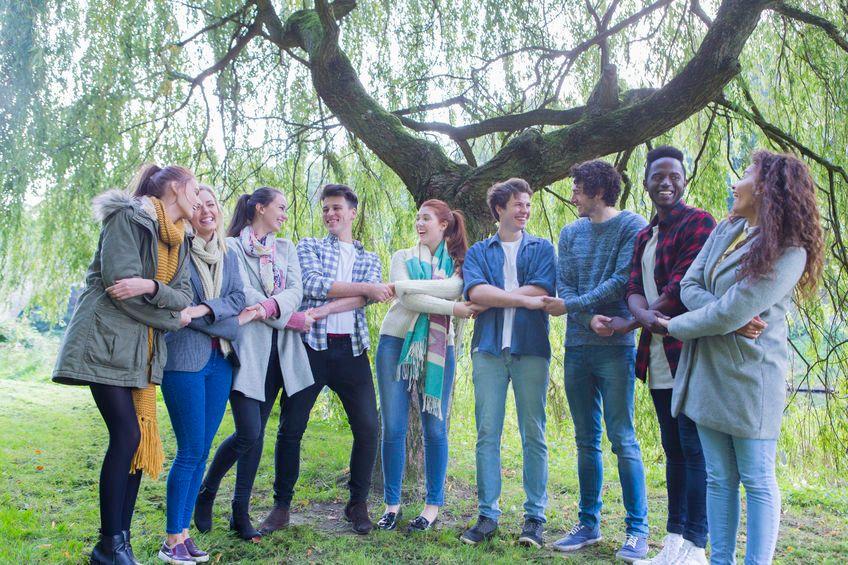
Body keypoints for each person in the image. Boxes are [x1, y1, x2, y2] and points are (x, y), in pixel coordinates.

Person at [656, 150, 824, 565]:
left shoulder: (790, 250)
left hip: (751, 380)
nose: (736, 182)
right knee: (719, 478)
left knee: (757, 478)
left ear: (766, 186)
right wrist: (726, 317)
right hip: (710, 373)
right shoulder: (728, 230)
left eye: (746, 174)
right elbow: (691, 286)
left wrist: (676, 326)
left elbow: (733, 307)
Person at [53, 164, 198, 565]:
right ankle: (109, 543)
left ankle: (119, 543)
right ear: (174, 187)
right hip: (105, 343)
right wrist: (169, 315)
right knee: (127, 437)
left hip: (141, 351)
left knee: (133, 444)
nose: (201, 197)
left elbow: (183, 293)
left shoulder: (180, 239)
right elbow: (121, 287)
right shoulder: (127, 217)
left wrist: (152, 285)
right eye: (195, 188)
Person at [259, 184, 390, 536]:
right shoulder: (310, 246)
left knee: (367, 428)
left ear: (352, 213)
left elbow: (367, 299)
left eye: (336, 208)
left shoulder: (369, 258)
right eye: (326, 209)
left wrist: (336, 304)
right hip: (311, 348)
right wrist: (364, 289)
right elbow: (315, 284)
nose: (330, 214)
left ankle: (357, 504)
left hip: (351, 350)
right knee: (292, 427)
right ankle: (281, 506)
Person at [543, 160, 650, 562]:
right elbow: (564, 282)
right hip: (579, 345)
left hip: (616, 349)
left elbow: (622, 279)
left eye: (577, 187)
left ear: (599, 190)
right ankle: (588, 524)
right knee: (585, 440)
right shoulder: (570, 233)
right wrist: (584, 315)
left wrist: (570, 305)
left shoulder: (632, 225)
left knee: (622, 438)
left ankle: (637, 530)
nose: (572, 194)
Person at [615, 146, 717, 565]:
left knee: (695, 449)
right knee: (673, 449)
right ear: (646, 183)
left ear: (684, 180)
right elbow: (633, 285)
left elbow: (684, 282)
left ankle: (696, 545)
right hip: (656, 353)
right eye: (658, 175)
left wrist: (647, 315)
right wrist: (640, 315)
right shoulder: (644, 235)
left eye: (674, 175)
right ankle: (673, 541)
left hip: (687, 351)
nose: (666, 182)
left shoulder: (700, 223)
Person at [195, 187, 315, 542]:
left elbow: (297, 291)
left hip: (283, 355)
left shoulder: (286, 248)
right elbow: (243, 294)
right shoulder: (231, 246)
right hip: (249, 353)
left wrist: (270, 311)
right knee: (249, 432)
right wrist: (284, 316)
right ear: (259, 208)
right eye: (280, 207)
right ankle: (207, 491)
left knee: (257, 435)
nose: (284, 214)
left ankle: (239, 513)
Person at [459, 178, 556, 548]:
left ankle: (535, 518)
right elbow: (474, 291)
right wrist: (516, 297)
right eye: (518, 204)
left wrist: (496, 298)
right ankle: (488, 515)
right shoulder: (480, 252)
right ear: (499, 208)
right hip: (488, 350)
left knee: (535, 434)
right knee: (487, 433)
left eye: (528, 204)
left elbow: (543, 289)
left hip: (531, 349)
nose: (525, 210)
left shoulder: (542, 248)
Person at [156, 186, 247, 564]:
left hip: (220, 363)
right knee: (190, 451)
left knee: (202, 450)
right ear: (189, 213)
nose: (206, 211)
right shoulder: (177, 251)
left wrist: (201, 312)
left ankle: (184, 533)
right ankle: (171, 538)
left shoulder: (228, 253)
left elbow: (239, 300)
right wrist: (222, 322)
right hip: (184, 363)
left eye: (211, 204)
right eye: (199, 205)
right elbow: (175, 307)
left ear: (219, 211)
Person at [374, 199, 477, 532]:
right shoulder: (401, 257)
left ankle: (432, 508)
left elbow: (453, 288)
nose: (419, 223)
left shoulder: (459, 264)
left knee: (435, 428)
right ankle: (392, 506)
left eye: (426, 218)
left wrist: (406, 287)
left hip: (438, 350)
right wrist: (451, 307)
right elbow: (409, 300)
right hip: (394, 343)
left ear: (443, 225)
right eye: (417, 217)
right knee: (394, 427)